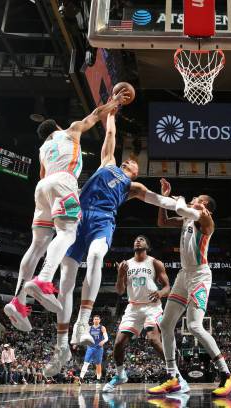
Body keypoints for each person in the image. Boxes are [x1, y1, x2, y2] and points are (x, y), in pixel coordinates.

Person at [44, 109, 188, 376]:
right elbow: (110, 132)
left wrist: (181, 205)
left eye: (133, 164)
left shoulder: (134, 188)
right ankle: (62, 345)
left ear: (135, 173)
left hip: (102, 221)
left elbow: (159, 201)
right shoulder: (107, 163)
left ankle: (82, 323)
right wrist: (112, 111)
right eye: (127, 161)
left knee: (97, 256)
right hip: (78, 217)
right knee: (65, 280)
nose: (129, 162)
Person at [3, 92, 129, 331]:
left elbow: (42, 175)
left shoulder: (43, 148)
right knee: (68, 233)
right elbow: (94, 115)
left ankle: (17, 301)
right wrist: (114, 104)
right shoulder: (69, 131)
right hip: (63, 182)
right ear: (58, 127)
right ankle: (44, 279)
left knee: (37, 245)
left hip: (42, 189)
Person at [147, 179, 231, 397]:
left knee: (195, 325)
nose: (193, 199)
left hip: (199, 275)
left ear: (204, 206)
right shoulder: (188, 218)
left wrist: (175, 198)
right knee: (166, 324)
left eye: (197, 199)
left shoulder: (205, 220)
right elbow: (163, 222)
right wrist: (163, 200)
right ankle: (173, 377)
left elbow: (180, 206)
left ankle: (227, 375)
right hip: (183, 275)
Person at [103, 235, 176, 392]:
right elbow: (120, 291)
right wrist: (120, 274)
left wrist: (160, 293)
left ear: (147, 246)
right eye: (136, 239)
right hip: (133, 307)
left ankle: (174, 374)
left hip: (152, 306)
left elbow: (167, 287)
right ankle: (120, 375)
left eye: (142, 239)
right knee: (118, 344)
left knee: (154, 340)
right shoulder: (125, 264)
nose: (138, 240)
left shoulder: (155, 263)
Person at [79, 315, 108, 383]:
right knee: (86, 362)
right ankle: (80, 378)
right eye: (95, 319)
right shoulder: (89, 328)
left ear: (99, 320)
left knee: (98, 364)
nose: (96, 320)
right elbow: (85, 336)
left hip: (99, 348)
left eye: (98, 319)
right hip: (90, 347)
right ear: (93, 320)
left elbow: (106, 338)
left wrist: (103, 341)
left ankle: (98, 379)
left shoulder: (102, 328)